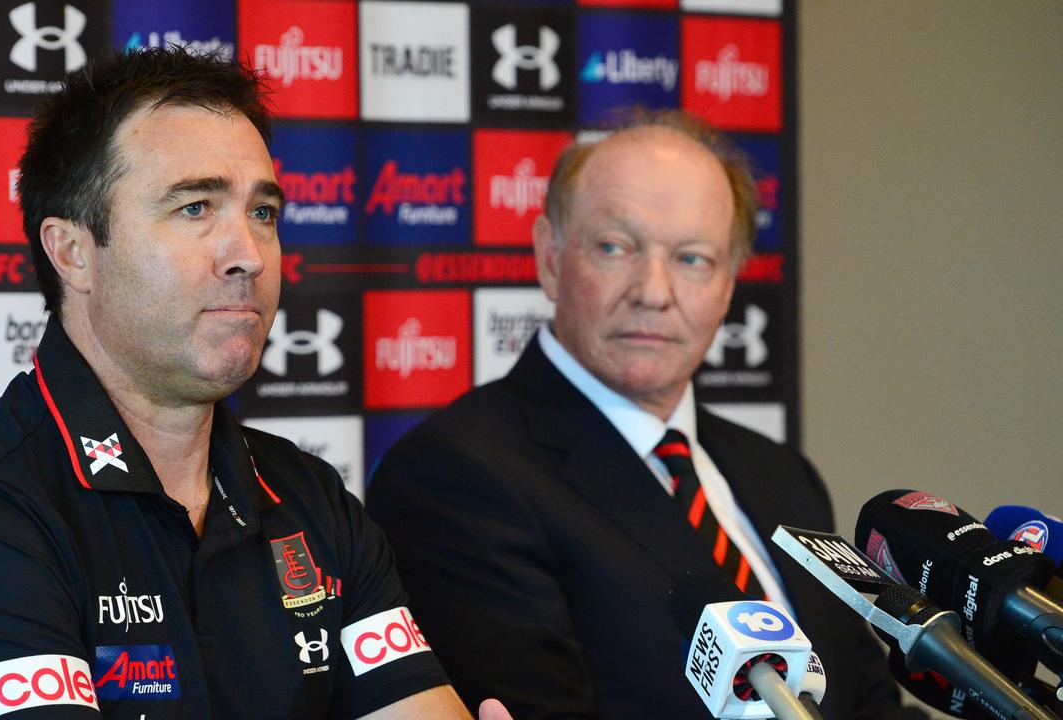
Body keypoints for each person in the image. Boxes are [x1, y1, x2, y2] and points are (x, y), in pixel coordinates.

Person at [0, 48, 510, 720]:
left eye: (263, 213)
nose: (247, 253)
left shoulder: (311, 499)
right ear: (73, 251)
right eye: (195, 208)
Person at [367, 111, 914, 719]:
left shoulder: (784, 477)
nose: (654, 291)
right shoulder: (453, 477)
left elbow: (869, 706)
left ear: (729, 283)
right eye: (615, 247)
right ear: (550, 257)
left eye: (692, 259)